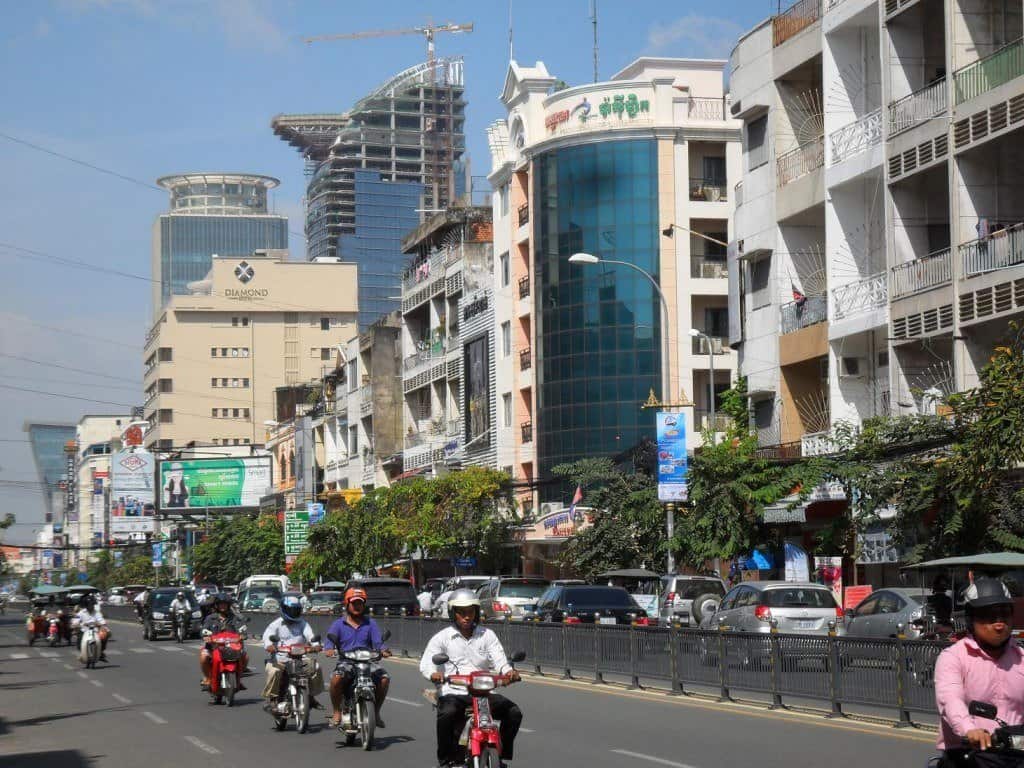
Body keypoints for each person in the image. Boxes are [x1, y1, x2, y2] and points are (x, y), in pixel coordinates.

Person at [420, 588, 523, 768]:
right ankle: (445, 760)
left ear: (476, 612)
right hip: (454, 691)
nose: (466, 617)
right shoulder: (442, 638)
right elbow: (427, 663)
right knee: (447, 714)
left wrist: (508, 672)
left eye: (470, 612)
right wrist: (434, 674)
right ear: (453, 613)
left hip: (483, 691)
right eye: (462, 612)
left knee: (514, 713)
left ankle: (501, 755)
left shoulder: (487, 635)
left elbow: (500, 660)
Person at [934, 577, 1024, 766]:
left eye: (1004, 615)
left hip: (1015, 756)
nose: (999, 623)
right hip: (968, 755)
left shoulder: (1021, 658)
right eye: (989, 616)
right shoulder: (953, 657)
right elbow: (950, 700)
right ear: (971, 619)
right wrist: (969, 729)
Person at [324, 587, 391, 729]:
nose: (357, 606)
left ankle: (376, 713)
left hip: (368, 661)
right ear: (347, 604)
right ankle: (336, 712)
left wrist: (384, 650)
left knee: (384, 678)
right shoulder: (338, 624)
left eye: (360, 603)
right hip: (346, 662)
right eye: (354, 603)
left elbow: (378, 643)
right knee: (336, 679)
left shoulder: (370, 623)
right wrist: (329, 649)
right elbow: (329, 641)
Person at [260, 594, 324, 711]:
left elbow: (311, 636)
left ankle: (310, 697)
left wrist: (315, 646)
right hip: (280, 658)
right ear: (284, 609)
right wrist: (269, 646)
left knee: (316, 667)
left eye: (296, 610)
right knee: (274, 671)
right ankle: (272, 699)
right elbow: (267, 637)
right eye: (291, 610)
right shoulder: (275, 624)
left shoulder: (303, 623)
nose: (294, 613)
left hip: (300, 657)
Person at [199, 593, 247, 690]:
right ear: (216, 605)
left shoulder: (234, 618)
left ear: (228, 605)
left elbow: (241, 628)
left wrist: (242, 634)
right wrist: (205, 636)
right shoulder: (210, 618)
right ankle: (208, 678)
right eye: (220, 604)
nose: (223, 606)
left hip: (231, 647)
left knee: (245, 656)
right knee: (204, 657)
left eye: (225, 604)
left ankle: (238, 679)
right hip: (213, 647)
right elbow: (203, 630)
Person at [74, 594, 109, 662]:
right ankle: (82, 653)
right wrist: (77, 624)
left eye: (92, 604)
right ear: (86, 605)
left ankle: (101, 652)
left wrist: (101, 624)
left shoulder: (97, 613)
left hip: (96, 631)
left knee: (105, 634)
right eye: (89, 605)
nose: (91, 606)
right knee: (79, 640)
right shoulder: (81, 613)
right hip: (84, 631)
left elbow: (102, 621)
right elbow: (75, 621)